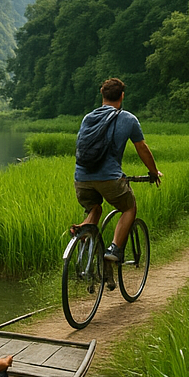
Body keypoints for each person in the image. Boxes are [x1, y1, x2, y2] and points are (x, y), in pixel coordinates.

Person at [74, 77, 161, 263]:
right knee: (129, 207)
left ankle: (84, 228)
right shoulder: (128, 119)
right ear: (122, 96)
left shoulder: (88, 118)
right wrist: (154, 172)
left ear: (102, 95)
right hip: (110, 180)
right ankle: (114, 248)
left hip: (81, 179)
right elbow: (142, 149)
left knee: (95, 208)